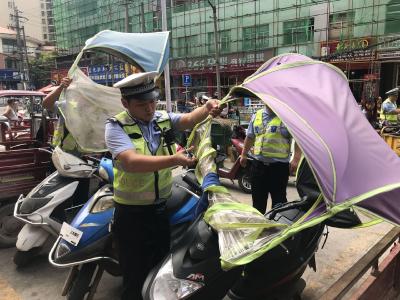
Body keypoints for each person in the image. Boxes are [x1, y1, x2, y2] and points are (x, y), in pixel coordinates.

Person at [105, 71, 221, 300]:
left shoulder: (160, 118)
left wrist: (207, 108)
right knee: (134, 274)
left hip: (159, 210)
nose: (149, 108)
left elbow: (188, 119)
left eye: (152, 102)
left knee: (159, 269)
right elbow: (131, 162)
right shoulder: (116, 126)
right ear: (125, 103)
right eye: (141, 105)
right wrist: (175, 160)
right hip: (131, 215)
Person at [240, 104, 301, 214]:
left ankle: (277, 229)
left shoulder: (287, 117)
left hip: (278, 169)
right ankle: (259, 228)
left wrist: (296, 159)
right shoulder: (256, 115)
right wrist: (243, 154)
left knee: (279, 204)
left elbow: (299, 138)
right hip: (258, 166)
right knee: (258, 204)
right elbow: (250, 137)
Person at [42, 77, 82, 155]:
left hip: (84, 151)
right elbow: (45, 104)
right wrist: (61, 87)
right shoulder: (66, 105)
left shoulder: (92, 109)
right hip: (62, 150)